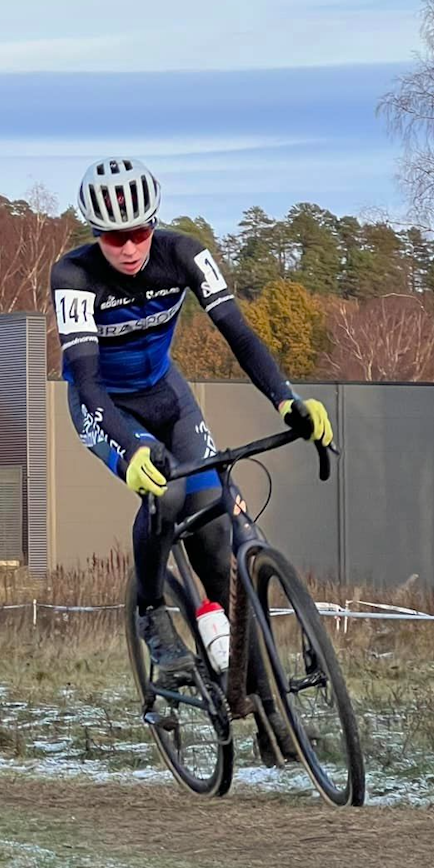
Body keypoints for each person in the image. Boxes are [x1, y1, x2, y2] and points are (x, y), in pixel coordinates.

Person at [52, 158, 334, 677]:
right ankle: (151, 612)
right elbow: (87, 380)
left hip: (166, 392)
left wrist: (286, 400)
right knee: (167, 491)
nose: (130, 247)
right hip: (105, 404)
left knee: (211, 511)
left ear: (154, 223)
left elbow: (240, 334)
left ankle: (235, 654)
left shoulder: (185, 254)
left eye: (139, 231)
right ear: (95, 234)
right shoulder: (73, 275)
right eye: (115, 238)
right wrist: (130, 449)